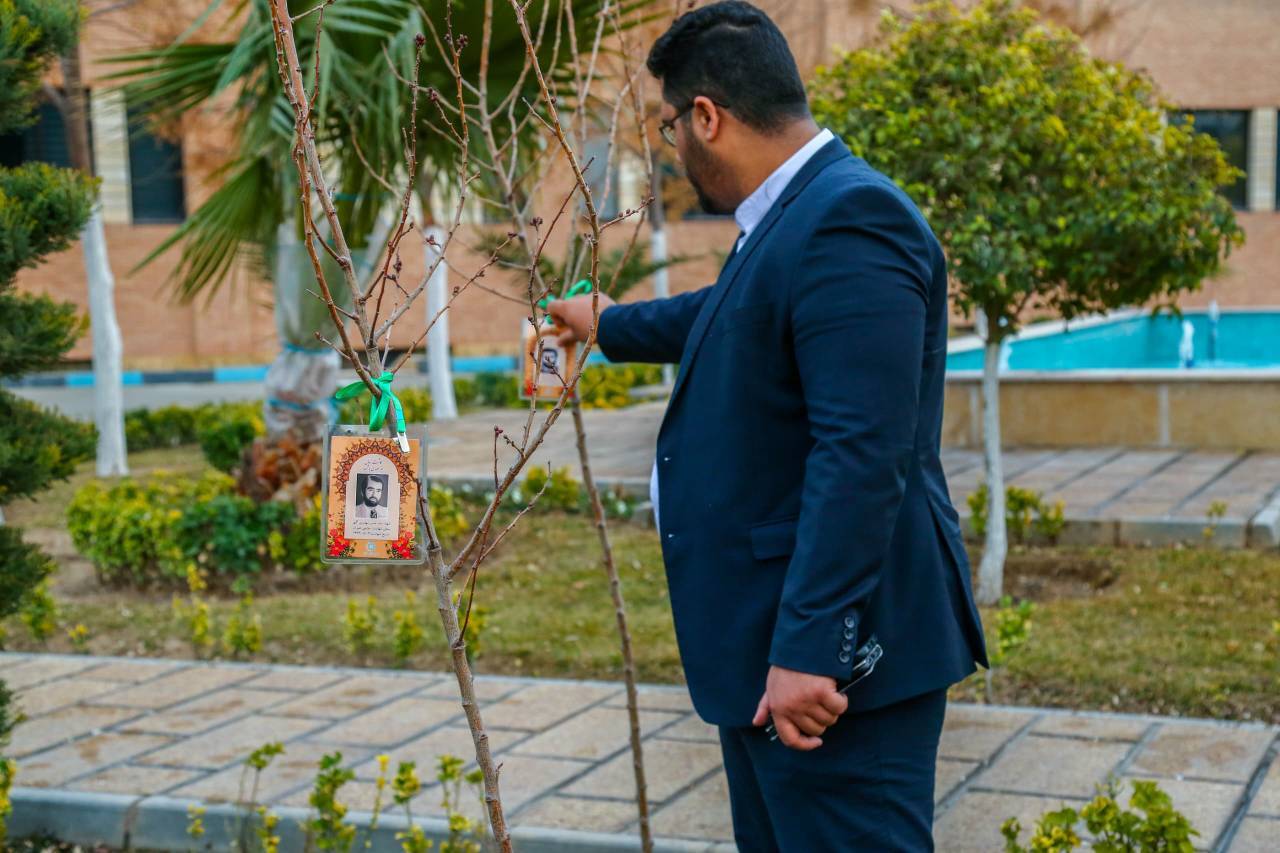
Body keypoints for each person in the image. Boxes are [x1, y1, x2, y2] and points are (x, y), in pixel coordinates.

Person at [549, 3, 988, 850]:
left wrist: (811, 649)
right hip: (769, 655)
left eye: (671, 128)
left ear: (706, 116)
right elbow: (731, 313)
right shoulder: (796, 216)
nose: (674, 148)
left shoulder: (851, 218)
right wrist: (606, 323)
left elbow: (863, 453)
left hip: (832, 675)